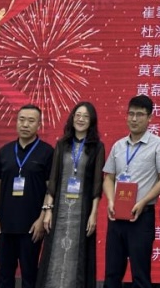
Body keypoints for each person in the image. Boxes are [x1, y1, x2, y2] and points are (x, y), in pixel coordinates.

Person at [102, 95, 160, 288]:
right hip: (117, 216)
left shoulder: (158, 145)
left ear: (150, 118)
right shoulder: (118, 145)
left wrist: (142, 202)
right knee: (112, 273)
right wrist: (110, 201)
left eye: (140, 114)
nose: (134, 119)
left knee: (140, 274)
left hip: (141, 216)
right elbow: (108, 177)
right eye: (131, 114)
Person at [36, 102, 106, 288]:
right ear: (72, 118)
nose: (81, 119)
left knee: (79, 255)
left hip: (82, 212)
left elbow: (97, 183)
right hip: (59, 209)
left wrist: (93, 214)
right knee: (54, 253)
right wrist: (48, 210)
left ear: (91, 121)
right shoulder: (62, 144)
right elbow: (53, 180)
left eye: (85, 116)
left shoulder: (97, 147)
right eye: (78, 115)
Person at [0, 104, 54, 288]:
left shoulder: (47, 152)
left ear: (39, 125)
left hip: (32, 227)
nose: (25, 124)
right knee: (4, 276)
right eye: (21, 119)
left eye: (31, 121)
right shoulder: (5, 151)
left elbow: (51, 190)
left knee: (30, 277)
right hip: (5, 226)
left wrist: (42, 218)